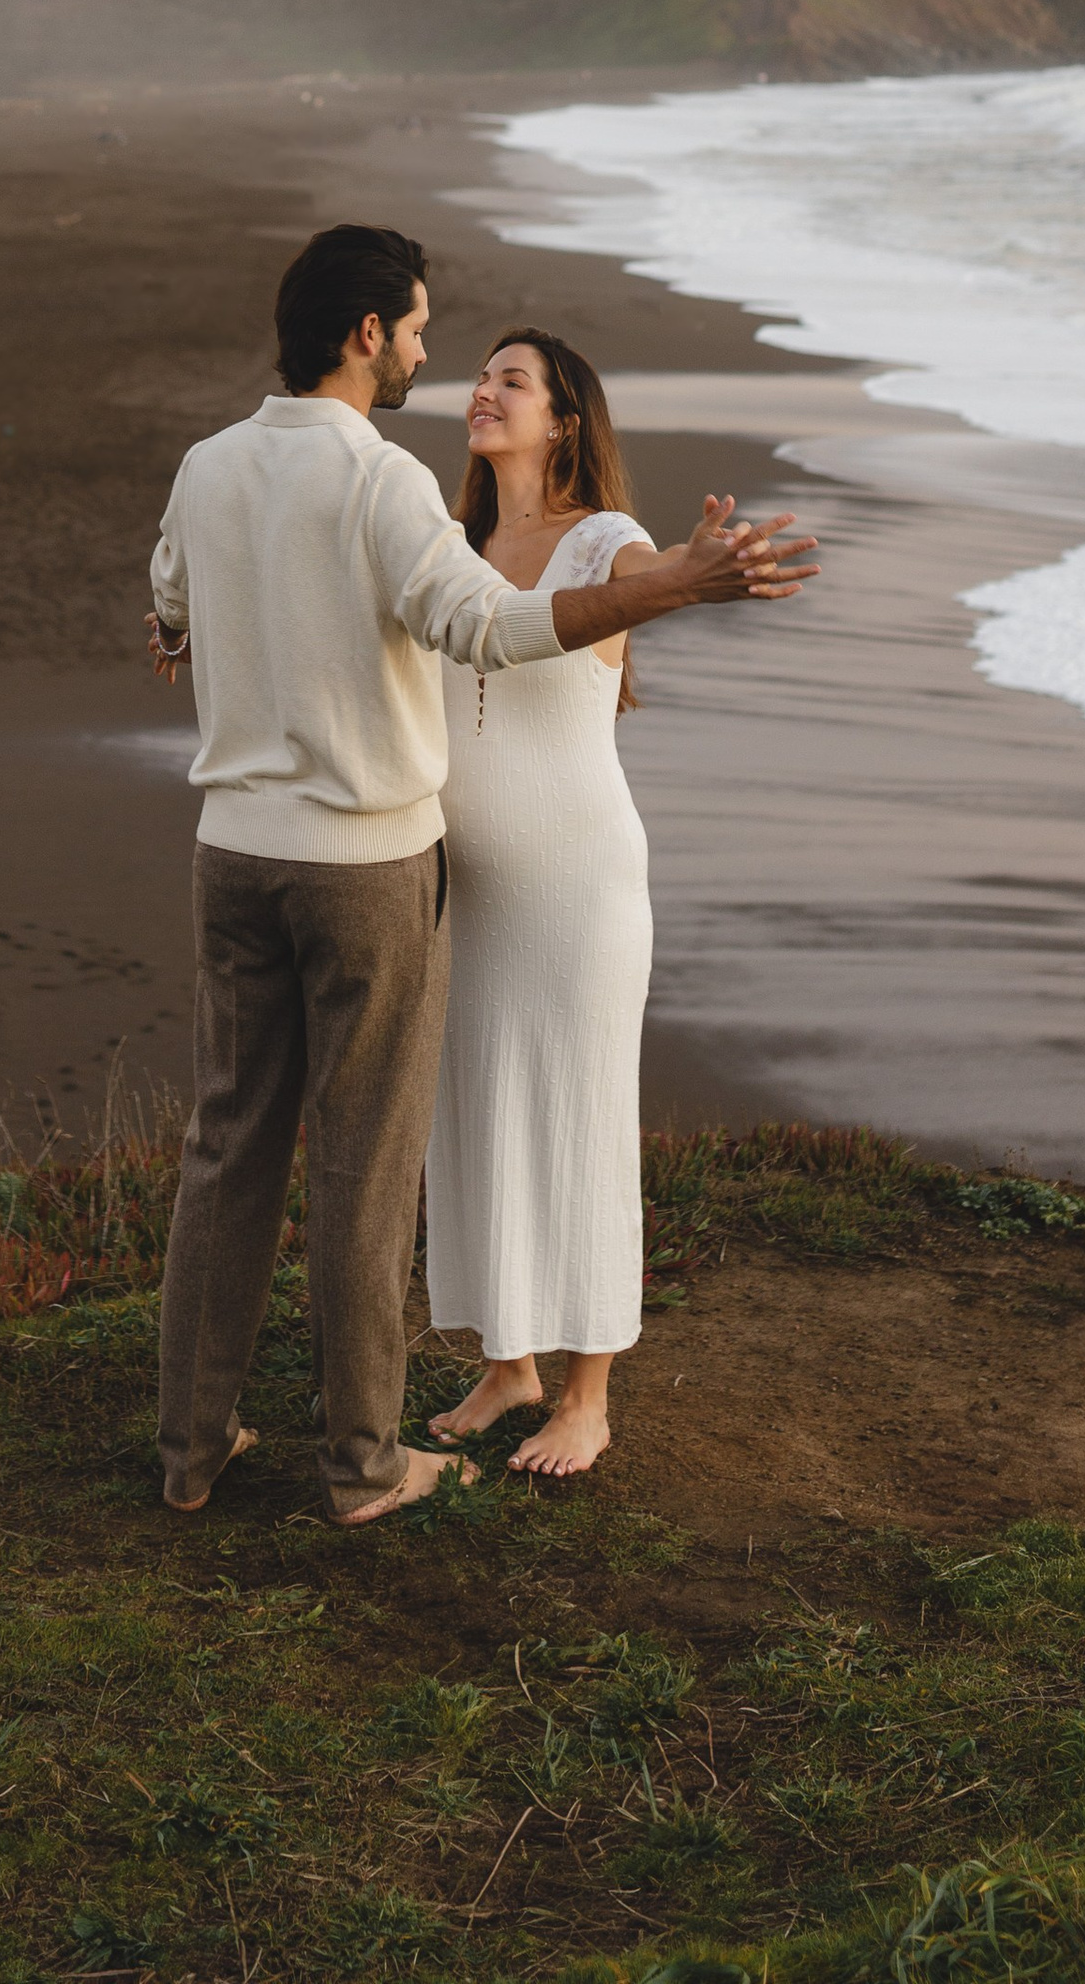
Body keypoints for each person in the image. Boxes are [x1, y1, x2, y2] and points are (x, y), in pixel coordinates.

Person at [146, 223, 815, 1525]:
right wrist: (680, 580)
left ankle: (190, 1451)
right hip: (363, 866)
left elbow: (168, 596)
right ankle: (362, 1466)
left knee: (228, 1147)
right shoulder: (386, 484)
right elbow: (492, 627)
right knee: (364, 1164)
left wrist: (183, 630)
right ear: (361, 336)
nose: (425, 358)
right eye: (414, 332)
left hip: (231, 856)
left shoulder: (207, 467)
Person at [426, 330, 813, 1478]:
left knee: (577, 1116)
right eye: (482, 375)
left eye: (514, 380)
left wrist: (693, 567)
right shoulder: (447, 548)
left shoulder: (605, 540)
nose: (485, 391)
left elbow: (648, 583)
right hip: (468, 894)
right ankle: (510, 1364)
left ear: (565, 421)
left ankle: (586, 1397)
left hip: (576, 886)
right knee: (482, 1113)